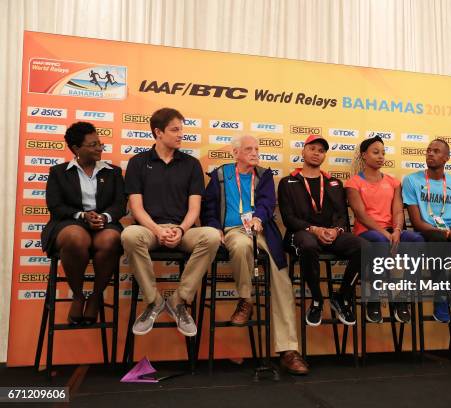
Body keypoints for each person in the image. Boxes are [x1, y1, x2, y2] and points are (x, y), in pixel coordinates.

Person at [202, 135, 308, 375]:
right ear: (235, 153)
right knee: (240, 246)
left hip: (262, 231)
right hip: (232, 230)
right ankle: (246, 300)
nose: (254, 152)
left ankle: (288, 350)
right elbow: (209, 207)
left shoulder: (264, 175)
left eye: (257, 149)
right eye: (248, 149)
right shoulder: (220, 175)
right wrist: (213, 226)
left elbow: (267, 202)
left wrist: (259, 217)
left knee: (281, 280)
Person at [121, 108, 221, 337]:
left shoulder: (191, 164)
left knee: (212, 236)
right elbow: (136, 207)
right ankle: (154, 301)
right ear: (158, 132)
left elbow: (195, 208)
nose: (180, 134)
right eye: (175, 130)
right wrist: (157, 230)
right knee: (128, 235)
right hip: (149, 230)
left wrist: (180, 229)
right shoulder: (138, 163)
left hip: (182, 230)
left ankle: (179, 300)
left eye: (181, 129)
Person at [42, 121, 126, 324]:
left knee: (112, 239)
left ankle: (96, 295)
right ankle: (78, 295)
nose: (99, 148)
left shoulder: (113, 172)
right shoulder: (59, 172)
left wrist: (104, 217)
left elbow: (120, 204)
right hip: (69, 223)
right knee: (75, 237)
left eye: (100, 143)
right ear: (76, 148)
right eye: (93, 144)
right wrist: (82, 215)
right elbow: (55, 206)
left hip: (104, 224)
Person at [278, 135, 364, 327]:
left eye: (321, 150)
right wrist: (314, 229)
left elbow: (342, 215)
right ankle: (317, 300)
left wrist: (336, 231)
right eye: (312, 148)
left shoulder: (334, 183)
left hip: (330, 234)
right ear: (303, 151)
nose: (317, 153)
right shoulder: (287, 182)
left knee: (364, 247)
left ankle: (342, 296)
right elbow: (288, 218)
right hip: (301, 234)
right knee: (308, 244)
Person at [346, 136, 424, 323]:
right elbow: (361, 214)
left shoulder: (393, 182)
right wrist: (385, 234)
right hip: (366, 232)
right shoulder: (353, 182)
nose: (380, 156)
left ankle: (401, 296)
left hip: (391, 230)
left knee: (417, 240)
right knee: (380, 242)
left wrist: (397, 231)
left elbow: (397, 210)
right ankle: (373, 299)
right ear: (364, 155)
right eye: (375, 152)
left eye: (383, 152)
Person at [402, 138, 451, 323]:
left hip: (448, 233)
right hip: (428, 232)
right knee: (438, 240)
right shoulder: (412, 180)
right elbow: (417, 222)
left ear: (447, 158)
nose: (430, 153)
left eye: (436, 151)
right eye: (428, 150)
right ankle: (440, 298)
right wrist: (447, 233)